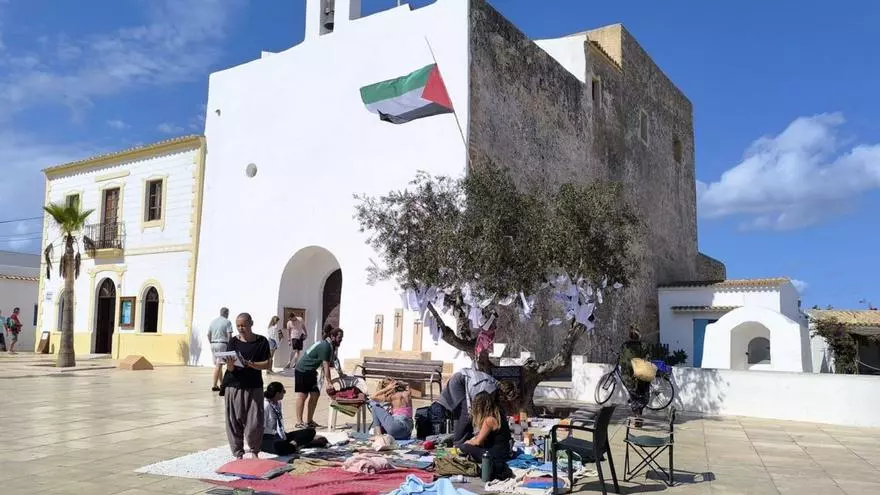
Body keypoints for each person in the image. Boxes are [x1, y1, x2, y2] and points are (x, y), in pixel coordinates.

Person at [223, 312, 272, 459]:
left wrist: (250, 364)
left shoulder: (261, 341)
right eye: (238, 326)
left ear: (251, 323)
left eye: (243, 325)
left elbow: (268, 364)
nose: (240, 328)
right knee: (234, 420)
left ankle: (254, 451)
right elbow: (230, 369)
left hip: (254, 385)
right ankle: (238, 453)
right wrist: (230, 364)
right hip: (234, 385)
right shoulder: (233, 342)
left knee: (255, 420)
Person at [437, 368, 519, 446]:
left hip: (468, 382)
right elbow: (477, 408)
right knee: (465, 414)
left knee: (469, 416)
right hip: (460, 382)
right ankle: (459, 444)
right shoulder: (488, 390)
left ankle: (465, 439)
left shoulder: (495, 390)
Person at [293, 327, 343, 429]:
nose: (340, 340)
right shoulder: (326, 346)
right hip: (303, 370)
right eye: (339, 338)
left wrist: (340, 373)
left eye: (341, 338)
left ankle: (309, 421)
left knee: (315, 395)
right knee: (303, 396)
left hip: (311, 371)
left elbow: (334, 360)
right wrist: (329, 382)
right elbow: (326, 366)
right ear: (332, 337)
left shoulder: (329, 345)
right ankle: (299, 422)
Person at [457, 391, 513, 478]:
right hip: (503, 451)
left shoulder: (489, 420)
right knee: (469, 445)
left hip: (495, 455)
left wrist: (469, 442)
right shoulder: (498, 415)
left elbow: (478, 442)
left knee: (463, 446)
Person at [261, 382, 317, 455]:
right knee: (280, 448)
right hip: (268, 437)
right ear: (277, 393)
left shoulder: (278, 403)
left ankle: (294, 445)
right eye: (283, 391)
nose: (284, 393)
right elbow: (262, 427)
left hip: (281, 435)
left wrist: (281, 434)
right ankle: (294, 446)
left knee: (310, 432)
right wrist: (275, 433)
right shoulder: (265, 405)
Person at [620, 327, 651, 417]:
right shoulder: (643, 345)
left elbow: (622, 360)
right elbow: (647, 358)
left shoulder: (624, 346)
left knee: (633, 394)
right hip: (640, 373)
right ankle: (638, 413)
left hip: (627, 375)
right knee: (640, 394)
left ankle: (636, 414)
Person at [208, 307, 235, 392]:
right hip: (222, 344)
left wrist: (211, 343)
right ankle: (215, 385)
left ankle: (222, 383)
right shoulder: (227, 322)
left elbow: (208, 334)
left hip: (213, 343)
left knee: (218, 364)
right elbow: (229, 336)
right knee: (219, 365)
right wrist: (231, 346)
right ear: (227, 313)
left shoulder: (213, 321)